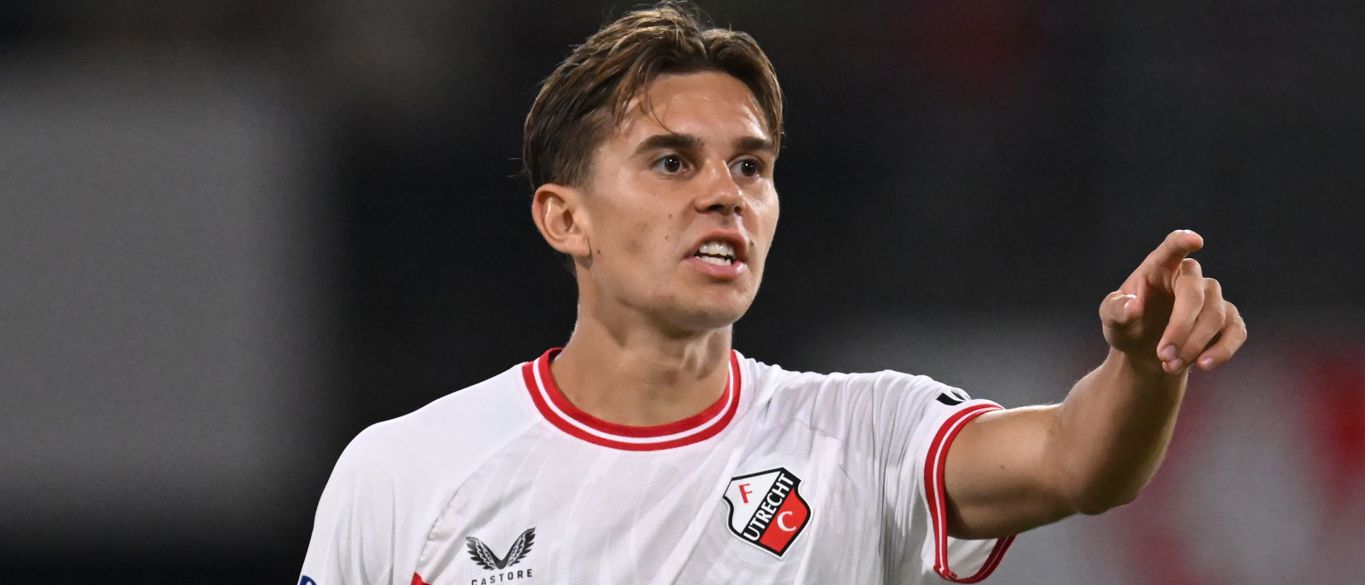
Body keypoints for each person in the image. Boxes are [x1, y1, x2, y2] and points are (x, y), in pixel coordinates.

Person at [299, 3, 1247, 584]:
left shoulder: (863, 435)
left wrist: (1145, 364)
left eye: (750, 166)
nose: (725, 193)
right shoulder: (404, 471)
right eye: (672, 161)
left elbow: (1078, 462)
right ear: (564, 218)